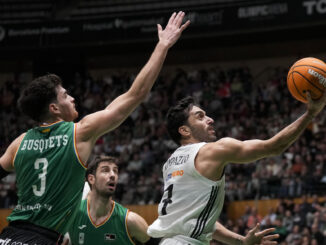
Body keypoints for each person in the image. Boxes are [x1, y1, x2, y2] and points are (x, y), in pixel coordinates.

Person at [0, 11, 190, 245]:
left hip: (9, 237)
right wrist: (162, 46)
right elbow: (136, 95)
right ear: (54, 108)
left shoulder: (18, 143)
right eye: (65, 95)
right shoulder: (78, 132)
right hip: (42, 239)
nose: (72, 98)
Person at [148, 93, 326, 245]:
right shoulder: (213, 150)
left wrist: (242, 242)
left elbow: (204, 222)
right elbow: (273, 147)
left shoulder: (170, 164)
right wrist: (310, 113)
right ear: (185, 130)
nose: (210, 119)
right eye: (200, 116)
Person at [67, 156, 152, 245]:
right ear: (91, 179)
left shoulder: (131, 221)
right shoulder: (71, 214)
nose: (112, 175)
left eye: (115, 171)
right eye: (105, 170)